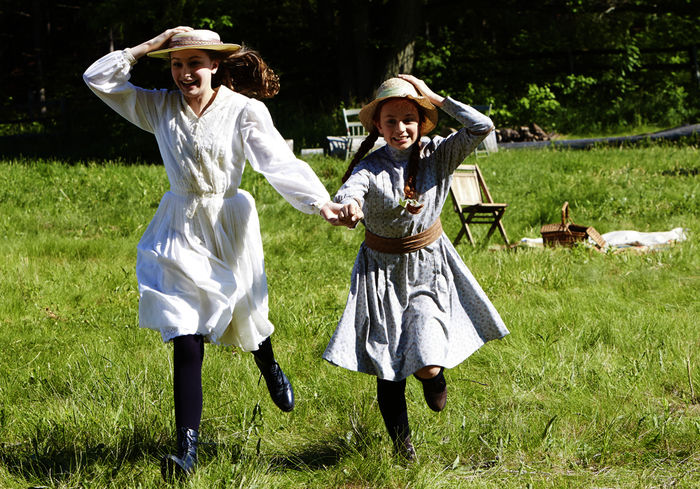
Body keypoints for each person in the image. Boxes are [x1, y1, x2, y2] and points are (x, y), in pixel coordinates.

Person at [83, 27, 346, 481]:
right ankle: (186, 449)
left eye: (194, 63)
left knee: (245, 316)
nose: (185, 73)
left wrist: (320, 202)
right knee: (184, 332)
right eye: (177, 64)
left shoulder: (244, 110)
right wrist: (148, 46)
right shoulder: (157, 107)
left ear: (215, 65)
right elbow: (98, 79)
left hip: (229, 222)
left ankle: (269, 363)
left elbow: (278, 163)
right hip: (179, 225)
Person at [324, 75, 510, 461]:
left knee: (425, 359)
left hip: (428, 267)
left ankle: (433, 376)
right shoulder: (370, 167)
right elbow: (350, 192)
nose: (399, 128)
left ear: (421, 121)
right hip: (380, 275)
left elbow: (482, 126)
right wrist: (349, 207)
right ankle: (402, 445)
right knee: (388, 364)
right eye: (390, 121)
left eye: (409, 118)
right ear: (377, 125)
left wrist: (436, 98)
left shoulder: (438, 155)